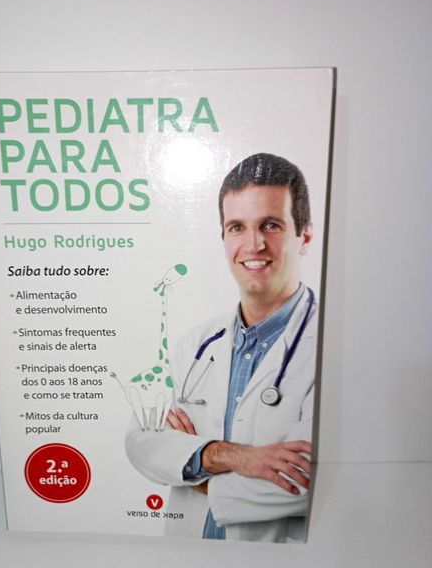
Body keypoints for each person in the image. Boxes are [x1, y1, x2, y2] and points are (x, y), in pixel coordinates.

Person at [125, 153, 317, 542]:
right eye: (237, 227)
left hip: (272, 566)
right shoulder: (196, 343)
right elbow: (140, 440)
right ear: (224, 238)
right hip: (187, 558)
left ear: (305, 237)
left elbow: (306, 482)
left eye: (271, 225)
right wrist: (232, 456)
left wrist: (191, 467)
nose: (254, 244)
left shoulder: (331, 350)